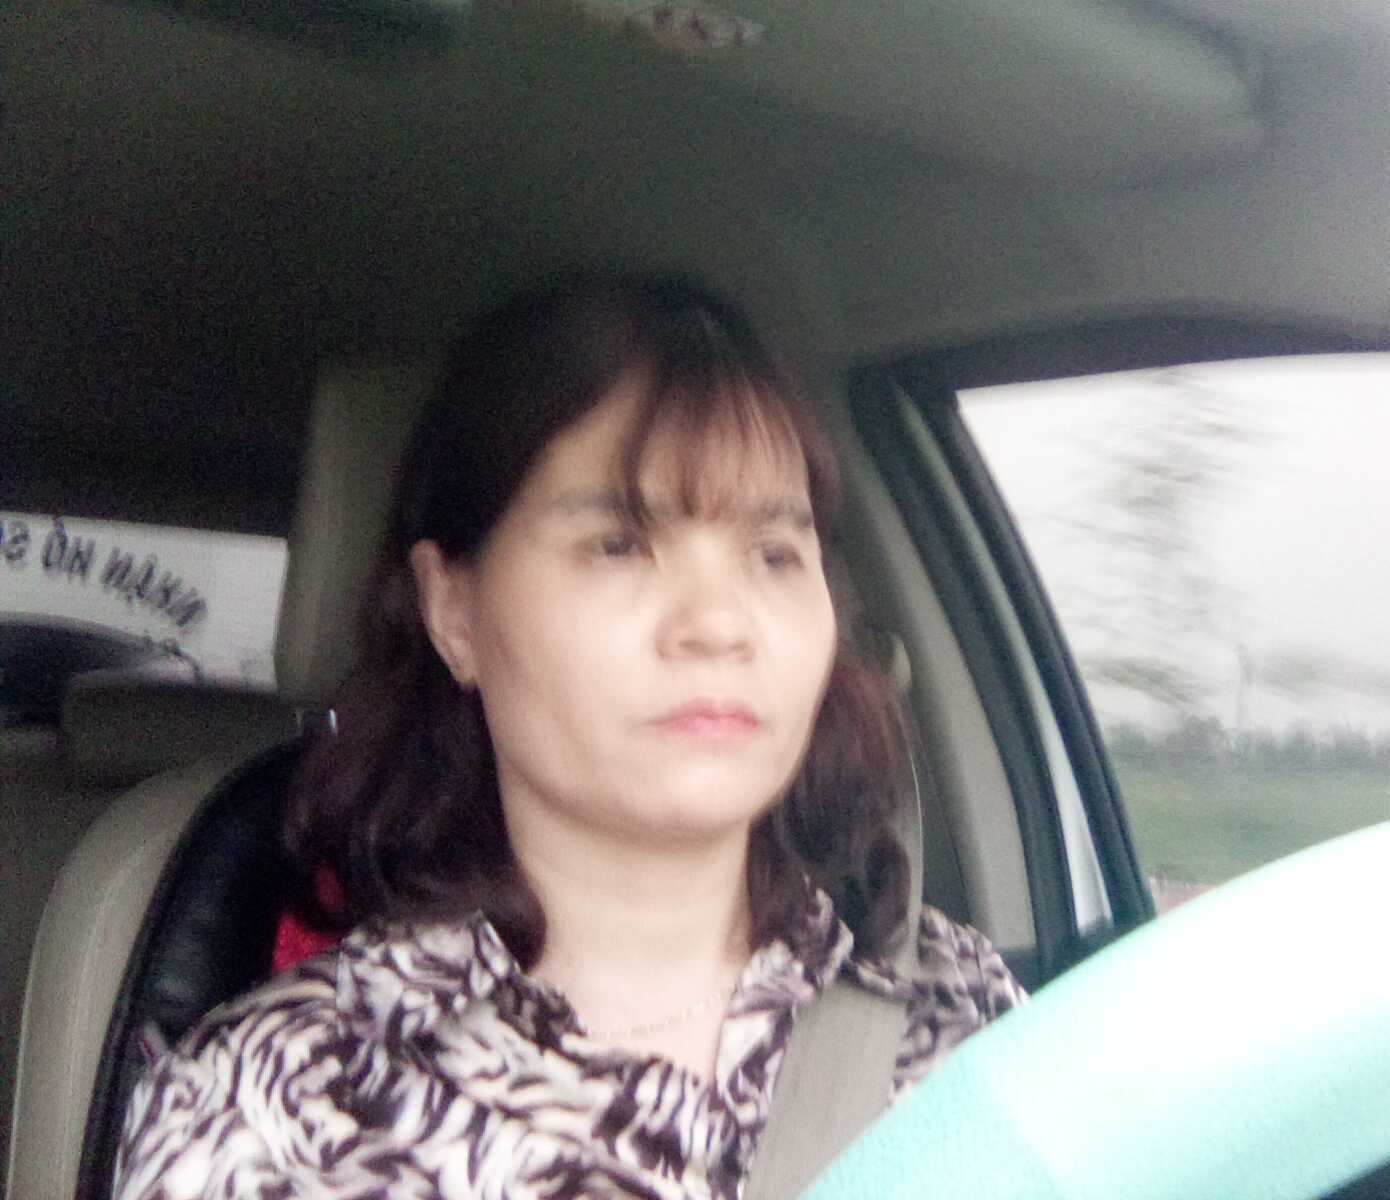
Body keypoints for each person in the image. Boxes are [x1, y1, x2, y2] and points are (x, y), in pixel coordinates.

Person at [112, 273, 1024, 1199]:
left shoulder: (957, 1006)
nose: (720, 623)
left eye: (775, 555)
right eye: (619, 544)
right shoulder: (276, 1111)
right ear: (453, 610)